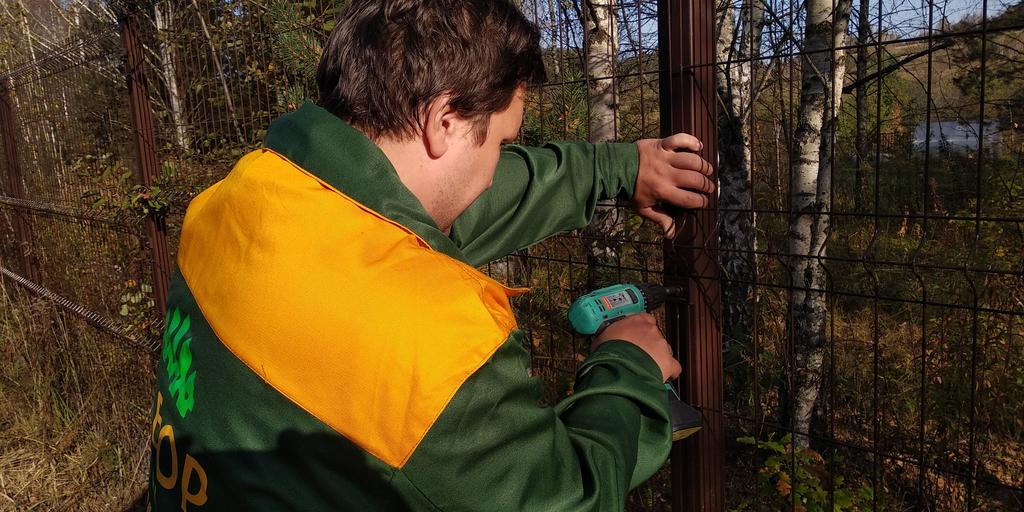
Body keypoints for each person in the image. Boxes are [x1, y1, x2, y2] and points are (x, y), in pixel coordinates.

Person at [148, 0, 714, 510]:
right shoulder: (436, 347)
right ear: (444, 121)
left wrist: (620, 168)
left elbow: (453, 206)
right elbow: (566, 499)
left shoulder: (236, 201)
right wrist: (627, 367)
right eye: (501, 143)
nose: (493, 171)